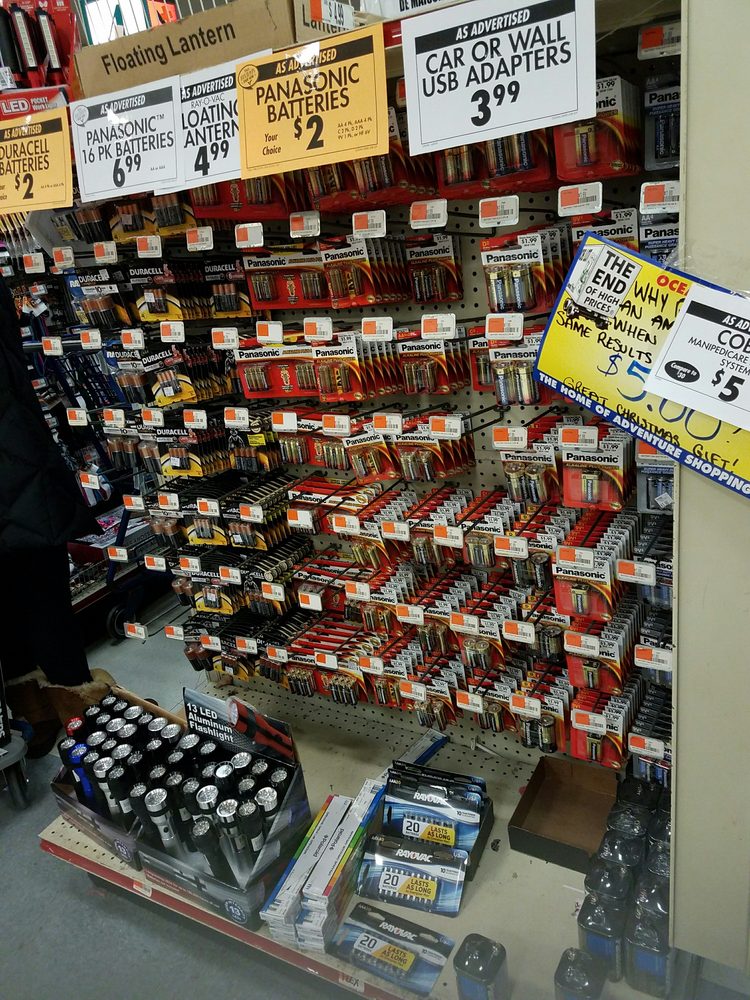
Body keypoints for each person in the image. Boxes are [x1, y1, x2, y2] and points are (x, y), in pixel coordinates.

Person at [0, 276, 113, 754]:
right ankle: (81, 724)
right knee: (44, 601)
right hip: (18, 472)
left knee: (10, 609)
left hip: (17, 472)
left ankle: (38, 716)